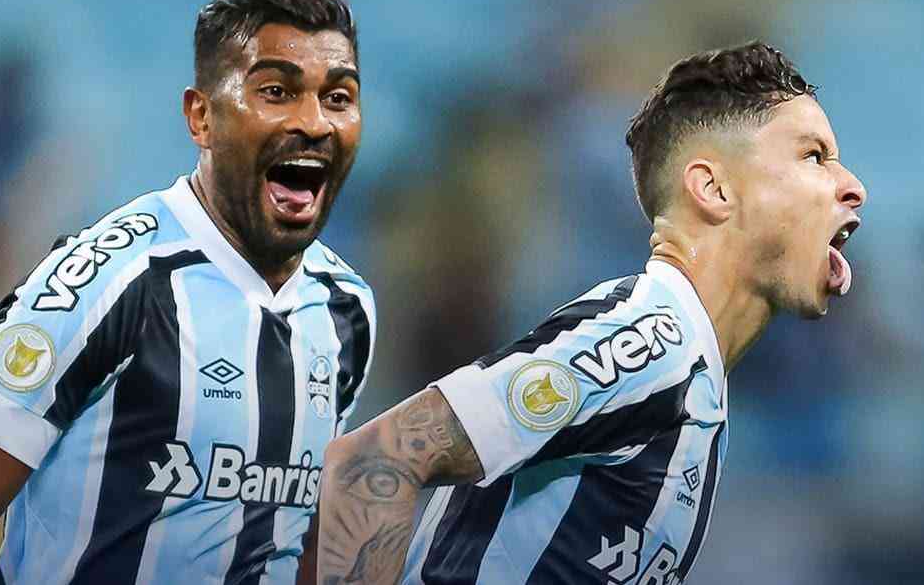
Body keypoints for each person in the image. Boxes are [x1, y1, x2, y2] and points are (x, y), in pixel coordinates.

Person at [317, 41, 866, 585]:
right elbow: (375, 461)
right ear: (714, 189)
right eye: (813, 156)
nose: (853, 187)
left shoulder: (699, 382)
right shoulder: (652, 340)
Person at [0, 0, 375, 584]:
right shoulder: (108, 282)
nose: (315, 122)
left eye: (338, 97)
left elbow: (301, 538)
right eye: (276, 91)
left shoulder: (348, 309)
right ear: (202, 118)